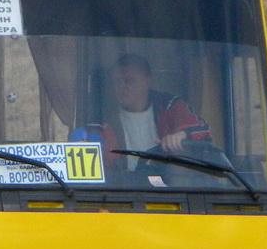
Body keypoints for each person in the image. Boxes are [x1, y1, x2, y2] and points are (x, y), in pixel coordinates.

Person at [75, 54, 210, 170]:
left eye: (128, 81)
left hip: (168, 188)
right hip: (118, 191)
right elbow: (86, 160)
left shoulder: (169, 106)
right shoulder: (101, 119)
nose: (121, 87)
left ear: (147, 81)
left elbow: (203, 129)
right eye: (117, 81)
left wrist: (181, 135)